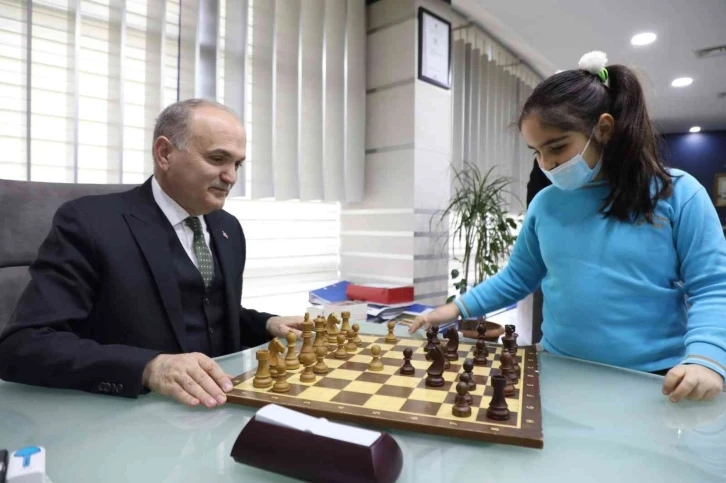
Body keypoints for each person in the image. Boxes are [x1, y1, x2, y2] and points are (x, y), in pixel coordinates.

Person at [410, 51, 726, 403]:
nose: (546, 164)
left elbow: (713, 287)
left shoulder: (677, 193)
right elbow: (517, 277)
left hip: (653, 380)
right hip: (559, 369)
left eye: (556, 147)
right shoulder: (545, 204)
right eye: (536, 152)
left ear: (603, 129)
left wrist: (707, 358)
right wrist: (455, 309)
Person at [0, 99, 303, 408]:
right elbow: (23, 345)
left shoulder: (228, 228)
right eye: (217, 159)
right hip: (131, 413)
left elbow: (207, 311)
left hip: (218, 406)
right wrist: (148, 367)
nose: (231, 177)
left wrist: (267, 324)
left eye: (236, 164)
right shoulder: (89, 222)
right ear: (164, 153)